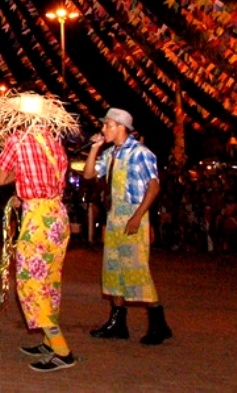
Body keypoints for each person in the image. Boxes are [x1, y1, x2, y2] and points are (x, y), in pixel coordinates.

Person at [0, 93, 78, 372]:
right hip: (57, 215)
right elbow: (53, 179)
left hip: (38, 220)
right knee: (50, 280)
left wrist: (20, 178)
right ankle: (47, 341)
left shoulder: (17, 141)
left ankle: (62, 350)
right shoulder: (55, 143)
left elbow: (1, 178)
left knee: (30, 284)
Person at [83, 107, 171, 345]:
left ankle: (158, 323)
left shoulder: (141, 153)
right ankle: (117, 323)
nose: (103, 129)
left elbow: (153, 187)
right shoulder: (111, 154)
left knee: (136, 272)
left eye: (108, 125)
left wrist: (138, 216)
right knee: (113, 271)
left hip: (133, 217)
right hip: (114, 219)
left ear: (122, 127)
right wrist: (94, 148)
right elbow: (89, 175)